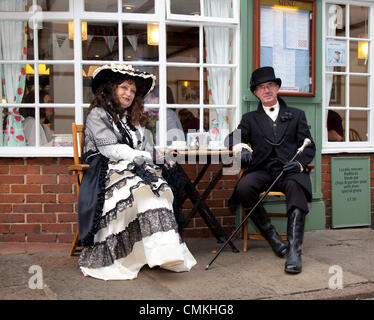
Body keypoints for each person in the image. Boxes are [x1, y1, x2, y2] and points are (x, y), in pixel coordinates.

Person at [77, 64, 196, 280]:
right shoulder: (98, 114)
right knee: (139, 191)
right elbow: (110, 149)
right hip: (105, 170)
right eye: (124, 88)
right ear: (111, 89)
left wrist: (160, 155)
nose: (129, 94)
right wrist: (139, 156)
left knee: (157, 191)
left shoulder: (132, 118)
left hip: (134, 167)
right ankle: (126, 256)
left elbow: (144, 148)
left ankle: (163, 253)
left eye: (132, 91)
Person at [225, 66, 315, 274]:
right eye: (261, 87)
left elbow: (309, 145)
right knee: (244, 187)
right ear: (256, 93)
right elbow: (232, 138)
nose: (266, 90)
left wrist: (300, 164)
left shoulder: (296, 115)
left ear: (277, 88)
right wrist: (241, 148)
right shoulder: (250, 119)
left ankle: (293, 251)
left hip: (288, 170)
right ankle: (274, 239)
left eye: (270, 86)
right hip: (262, 169)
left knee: (296, 186)